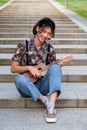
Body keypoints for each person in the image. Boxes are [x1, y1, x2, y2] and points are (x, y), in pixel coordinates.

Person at [11, 17, 63, 123]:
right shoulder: (23, 45)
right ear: (37, 28)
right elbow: (13, 68)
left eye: (49, 34)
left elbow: (50, 70)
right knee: (19, 79)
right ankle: (45, 100)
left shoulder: (50, 49)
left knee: (56, 67)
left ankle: (51, 107)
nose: (45, 36)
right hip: (25, 86)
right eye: (43, 31)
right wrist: (29, 67)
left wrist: (56, 67)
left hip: (42, 86)